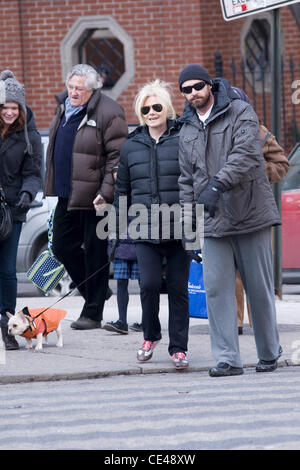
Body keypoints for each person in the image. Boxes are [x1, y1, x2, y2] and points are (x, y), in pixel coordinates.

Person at [178, 64, 282, 376]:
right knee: (216, 290)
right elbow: (185, 181)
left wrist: (216, 185)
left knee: (259, 288)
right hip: (212, 223)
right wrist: (188, 231)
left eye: (198, 86)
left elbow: (247, 154)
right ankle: (227, 359)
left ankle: (268, 353)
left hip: (250, 213)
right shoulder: (185, 129)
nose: (193, 93)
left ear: (209, 85)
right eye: (186, 89)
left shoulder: (240, 111)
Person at [113, 79, 195, 370]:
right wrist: (116, 229)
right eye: (145, 108)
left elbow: (195, 182)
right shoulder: (131, 146)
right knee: (147, 285)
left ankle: (179, 348)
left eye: (157, 106)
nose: (151, 112)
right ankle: (150, 336)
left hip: (179, 229)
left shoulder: (183, 138)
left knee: (177, 288)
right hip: (144, 229)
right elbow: (122, 190)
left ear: (167, 109)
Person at [44, 64, 128, 330]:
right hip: (67, 195)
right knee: (60, 246)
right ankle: (97, 291)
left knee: (95, 254)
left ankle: (93, 313)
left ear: (93, 89)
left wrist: (106, 192)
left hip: (95, 198)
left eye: (79, 89)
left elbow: (117, 158)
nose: (73, 92)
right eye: (70, 87)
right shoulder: (63, 109)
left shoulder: (110, 112)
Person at [226, 82, 290, 334]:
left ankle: (260, 322)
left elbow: (281, 164)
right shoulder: (216, 133)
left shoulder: (260, 132)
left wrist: (255, 171)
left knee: (257, 270)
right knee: (230, 272)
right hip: (226, 209)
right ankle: (235, 321)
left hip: (256, 208)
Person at [0, 70, 42, 350]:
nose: (10, 113)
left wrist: (28, 193)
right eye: (5, 107)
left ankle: (7, 325)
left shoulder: (29, 136)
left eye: (15, 108)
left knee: (7, 271)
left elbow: (34, 171)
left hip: (12, 211)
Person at [104, 167, 141, 335]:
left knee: (142, 284)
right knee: (126, 283)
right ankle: (124, 321)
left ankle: (126, 321)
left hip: (135, 243)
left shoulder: (126, 192)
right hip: (129, 244)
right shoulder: (118, 193)